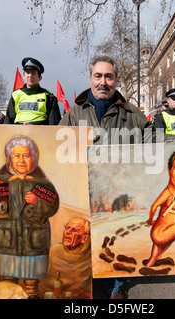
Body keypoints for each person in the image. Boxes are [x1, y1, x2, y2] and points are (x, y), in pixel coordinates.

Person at [60, 54, 160, 298]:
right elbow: (56, 144)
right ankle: (90, 278)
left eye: (108, 76)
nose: (103, 82)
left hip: (119, 190)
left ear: (116, 81)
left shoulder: (132, 114)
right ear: (91, 79)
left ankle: (115, 286)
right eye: (98, 76)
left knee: (115, 238)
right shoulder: (75, 113)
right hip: (84, 189)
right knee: (88, 238)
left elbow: (154, 141)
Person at [0, 135, 60, 297]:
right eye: (17, 156)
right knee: (8, 280)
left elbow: (53, 207)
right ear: (9, 159)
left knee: (32, 281)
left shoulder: (42, 184)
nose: (22, 160)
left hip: (34, 241)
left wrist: (37, 202)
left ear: (34, 159)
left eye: (26, 155)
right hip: (5, 240)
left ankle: (31, 294)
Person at [4, 57, 61, 125]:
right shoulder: (15, 95)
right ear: (24, 76)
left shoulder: (49, 96)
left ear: (40, 78)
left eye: (33, 73)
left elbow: (54, 124)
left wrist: (34, 127)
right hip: (18, 133)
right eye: (28, 73)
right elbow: (8, 121)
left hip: (40, 133)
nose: (30, 76)